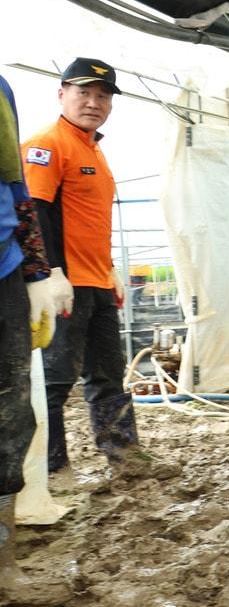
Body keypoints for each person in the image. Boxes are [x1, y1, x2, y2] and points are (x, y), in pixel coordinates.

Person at [22, 59, 151, 480]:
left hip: (96, 282)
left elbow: (88, 219)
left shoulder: (93, 148)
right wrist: (49, 273)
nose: (93, 102)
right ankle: (53, 469)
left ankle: (124, 456)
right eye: (84, 93)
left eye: (103, 95)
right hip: (64, 285)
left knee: (108, 375)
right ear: (62, 94)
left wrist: (109, 269)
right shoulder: (47, 144)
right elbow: (36, 212)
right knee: (56, 381)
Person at [0, 72, 62, 595]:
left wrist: (38, 272)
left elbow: (16, 184)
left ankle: (3, 567)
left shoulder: (0, 88)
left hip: (3, 268)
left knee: (11, 417)